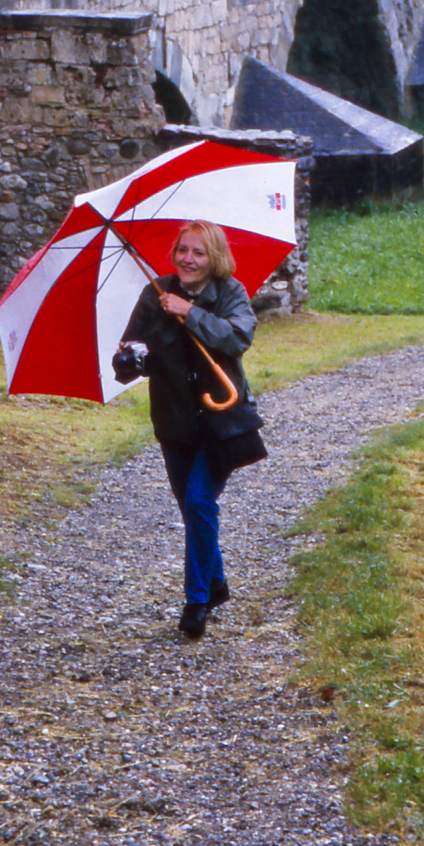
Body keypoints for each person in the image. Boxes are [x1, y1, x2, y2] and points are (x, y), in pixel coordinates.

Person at [118, 220, 258, 640]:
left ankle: (197, 601)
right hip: (173, 421)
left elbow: (237, 338)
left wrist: (190, 312)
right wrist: (129, 361)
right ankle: (216, 581)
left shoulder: (231, 292)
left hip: (222, 419)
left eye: (198, 252)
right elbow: (132, 347)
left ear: (213, 258)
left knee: (199, 501)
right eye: (182, 250)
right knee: (190, 507)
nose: (188, 259)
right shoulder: (155, 292)